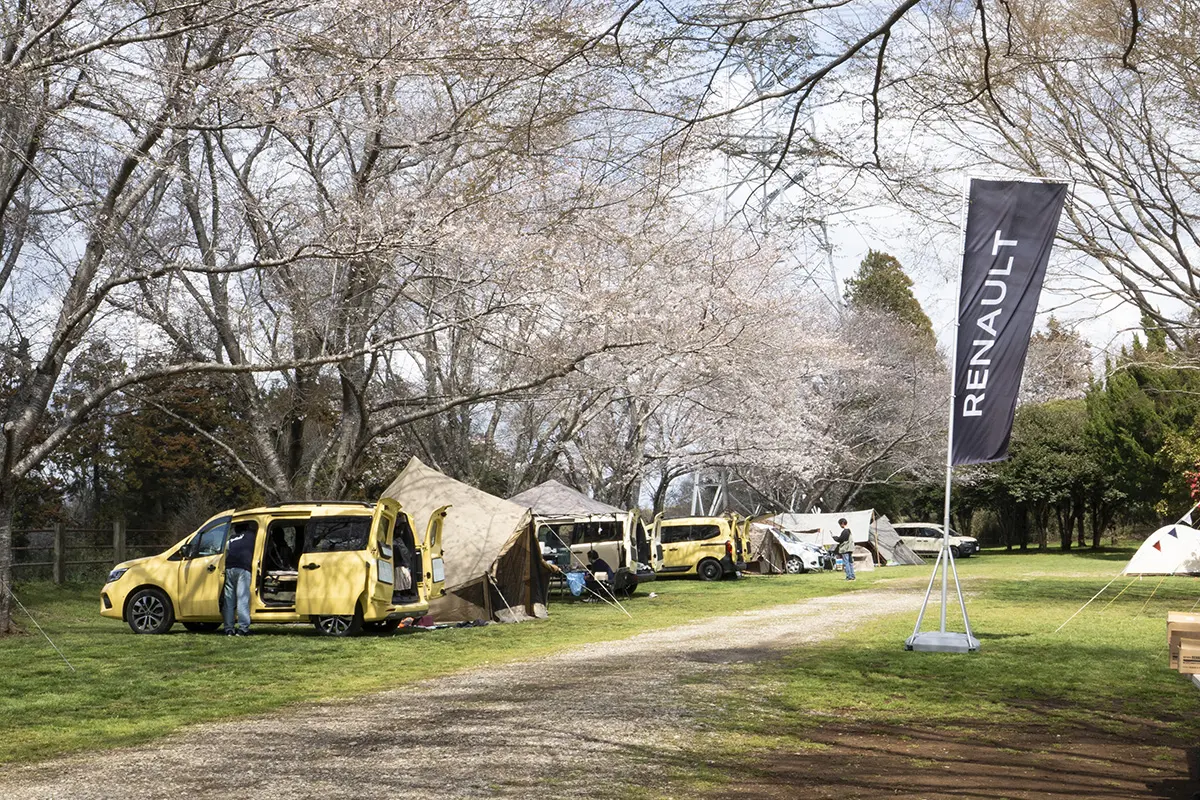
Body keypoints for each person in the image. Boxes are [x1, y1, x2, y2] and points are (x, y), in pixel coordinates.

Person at [223, 521, 258, 636]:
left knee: (229, 600)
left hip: (229, 568)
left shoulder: (232, 539)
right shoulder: (251, 536)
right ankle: (243, 628)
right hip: (243, 569)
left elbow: (225, 549)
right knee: (242, 598)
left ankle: (229, 629)